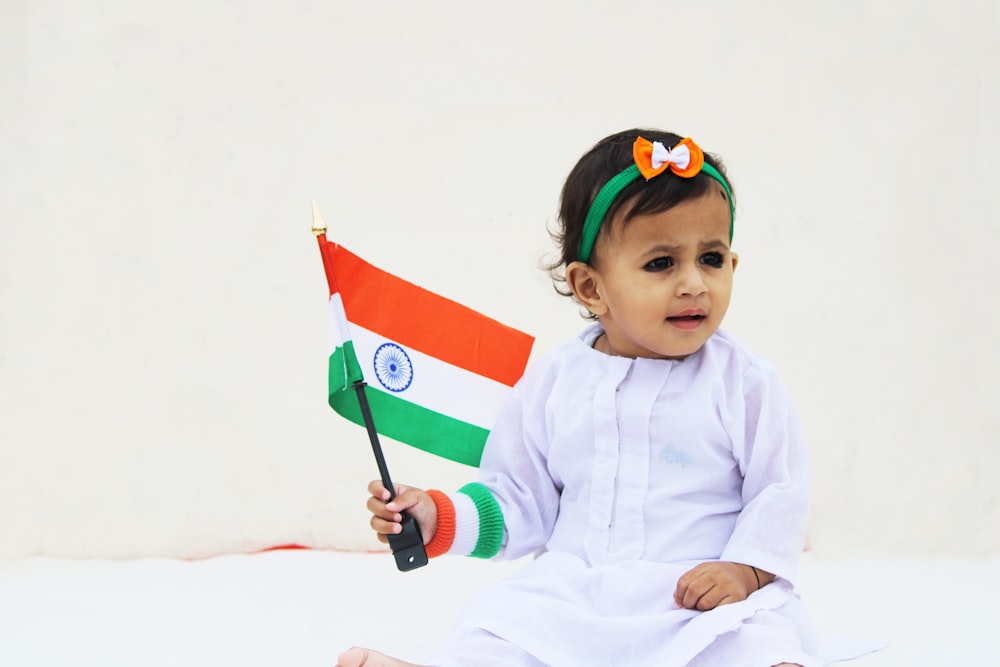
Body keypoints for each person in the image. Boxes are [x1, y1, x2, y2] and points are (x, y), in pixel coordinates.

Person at [337, 129, 871, 667]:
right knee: (497, 627)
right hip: (575, 595)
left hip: (695, 597)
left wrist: (744, 571)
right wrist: (437, 516)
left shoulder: (745, 382)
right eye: (661, 263)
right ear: (592, 287)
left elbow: (779, 491)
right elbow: (522, 498)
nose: (694, 284)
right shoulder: (556, 380)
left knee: (756, 642)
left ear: (733, 265)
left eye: (710, 258)